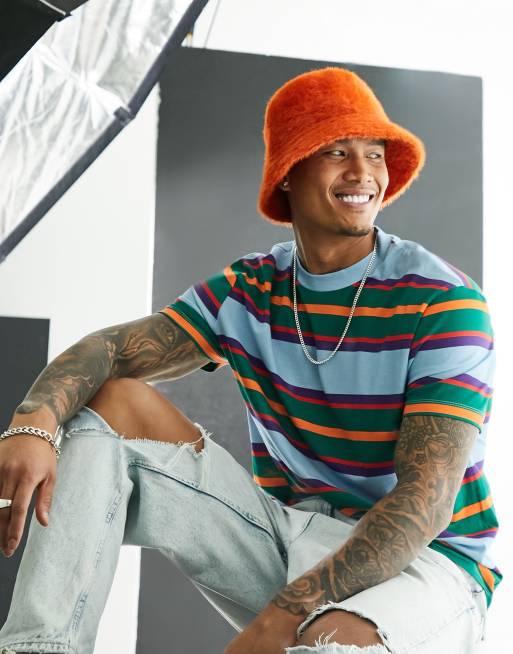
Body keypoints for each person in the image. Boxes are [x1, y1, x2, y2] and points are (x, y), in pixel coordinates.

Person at [0, 67, 500, 654]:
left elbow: (425, 503)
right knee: (111, 401)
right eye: (337, 151)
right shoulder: (251, 288)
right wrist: (33, 423)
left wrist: (278, 620)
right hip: (289, 538)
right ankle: (40, 648)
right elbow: (111, 350)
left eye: (375, 153)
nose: (363, 172)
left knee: (331, 645)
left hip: (426, 564)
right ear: (289, 170)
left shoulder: (442, 300)